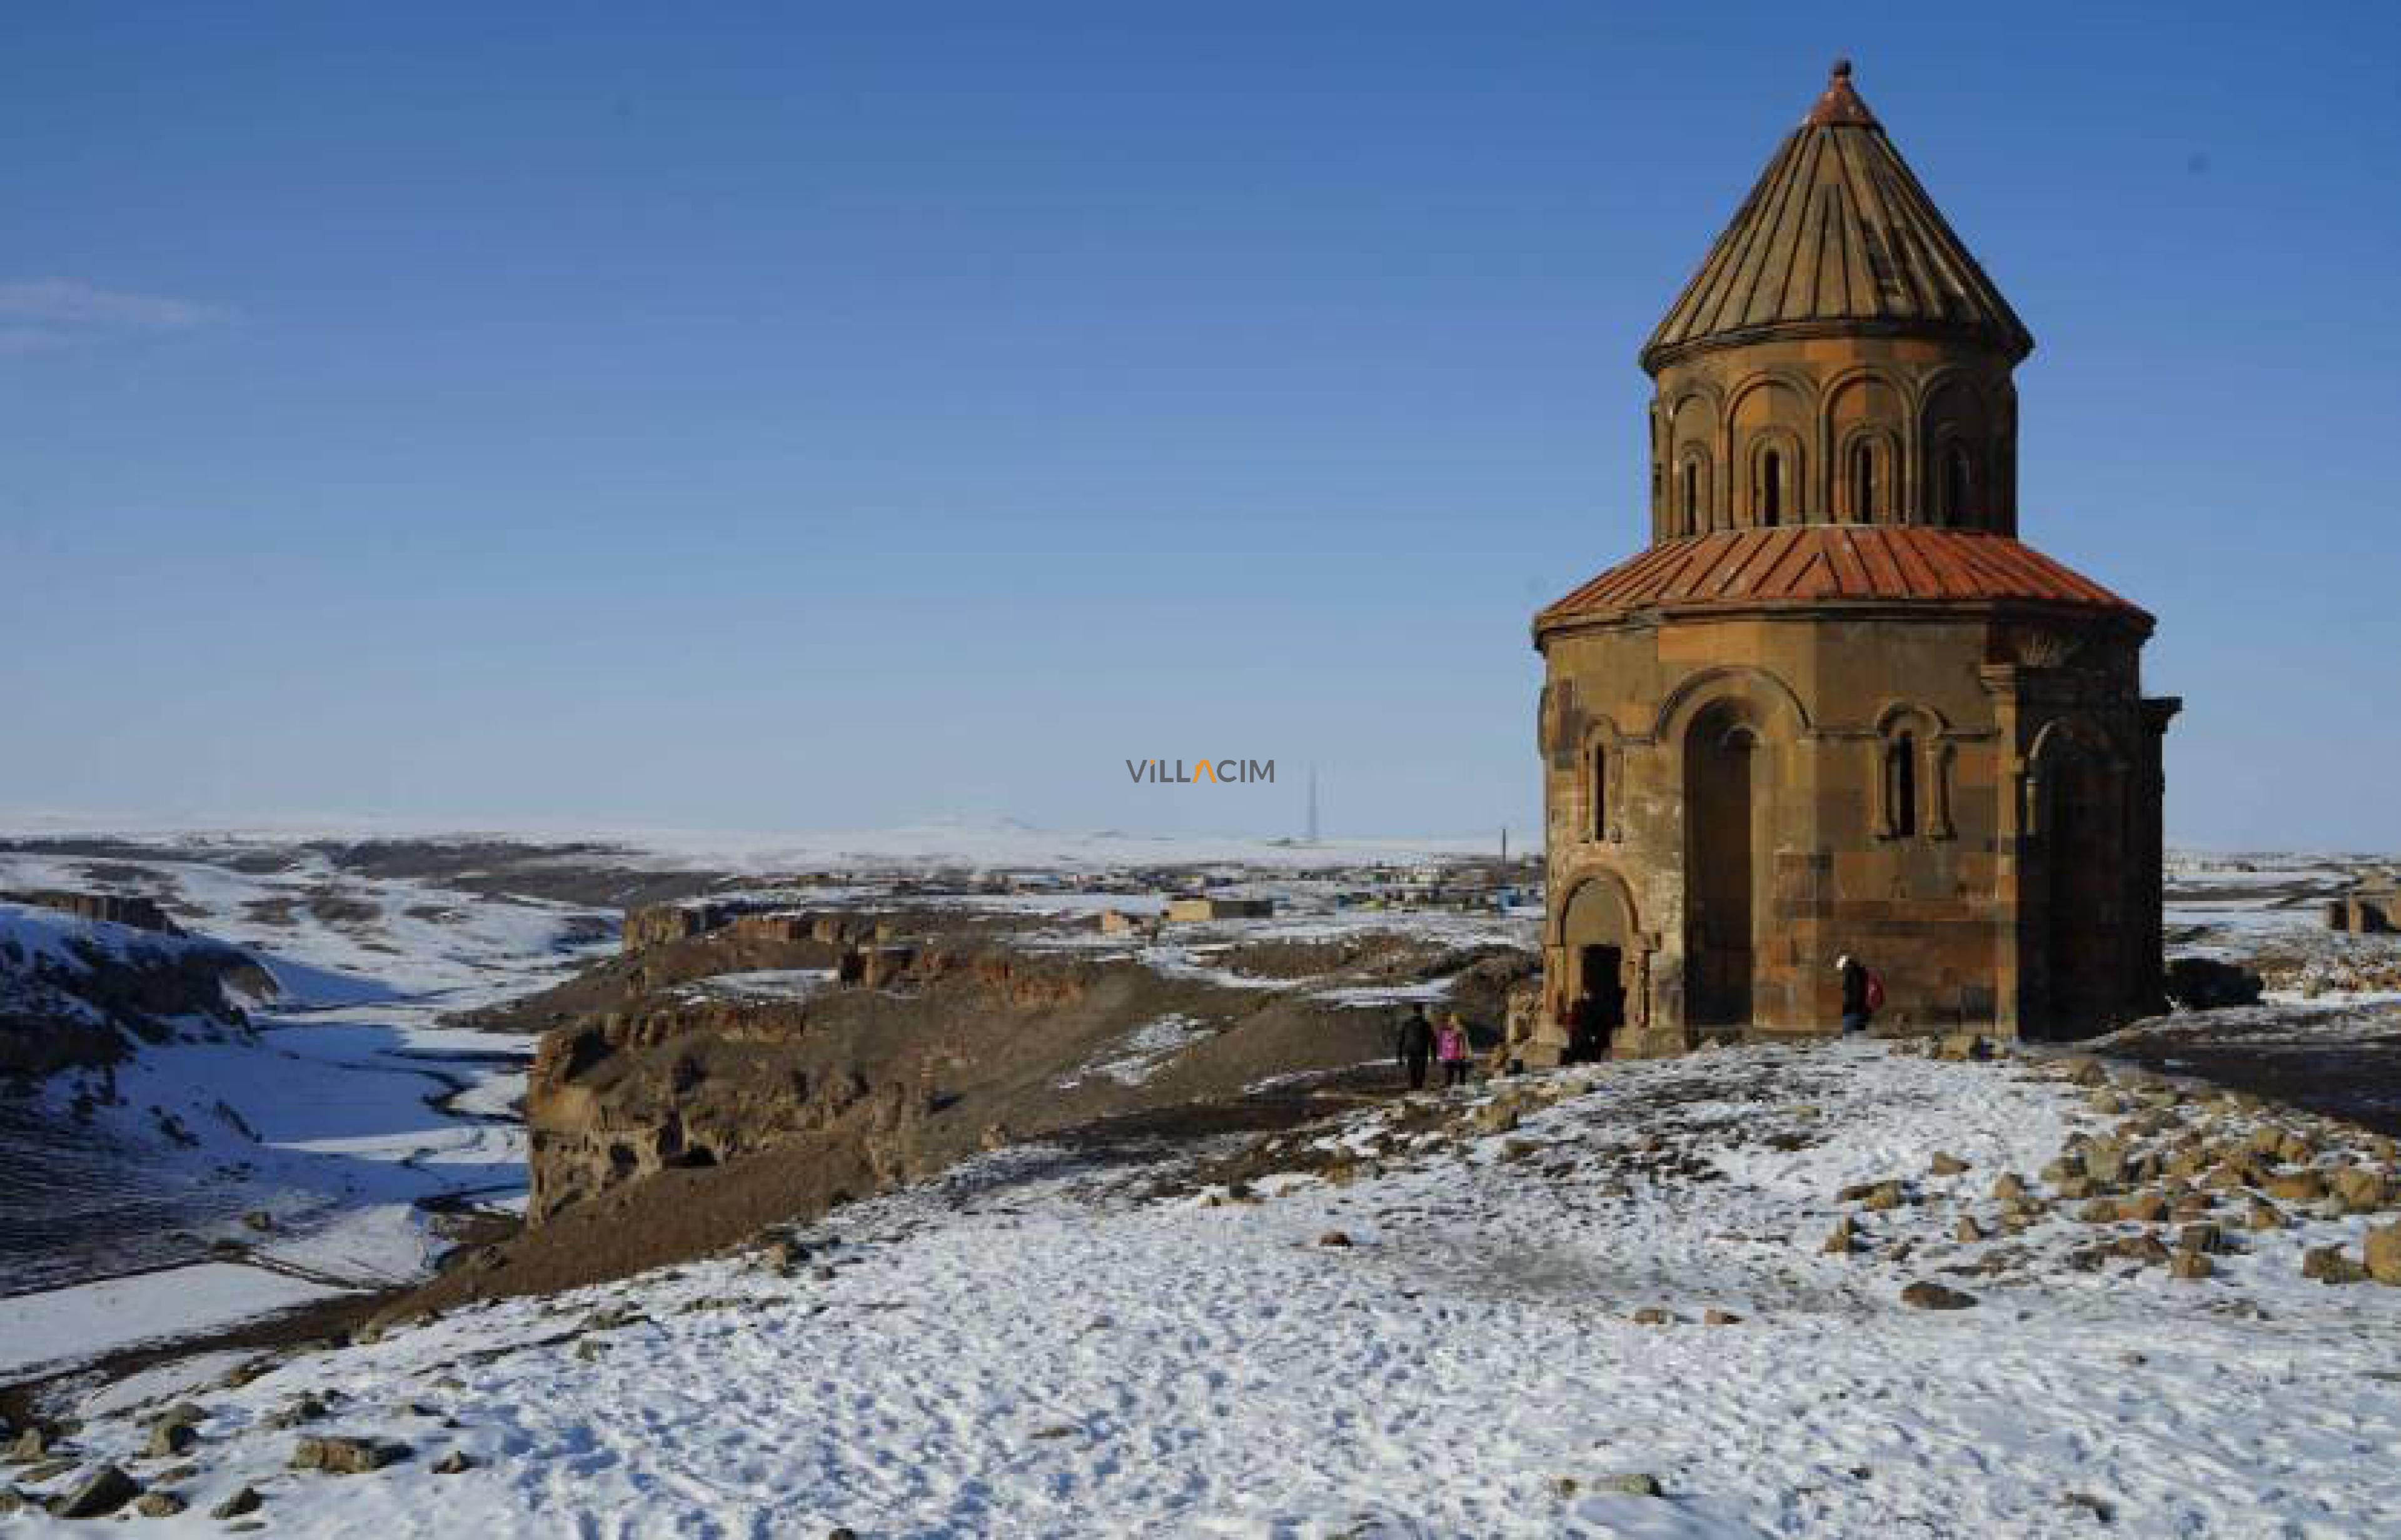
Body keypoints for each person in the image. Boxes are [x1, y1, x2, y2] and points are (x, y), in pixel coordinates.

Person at [1837, 954, 1881, 1036]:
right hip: (1865, 1010)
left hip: (1854, 1011)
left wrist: (1847, 1008)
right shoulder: (1863, 972)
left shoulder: (1851, 973)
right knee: (1860, 1037)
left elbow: (1855, 993)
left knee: (1848, 1038)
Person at [1394, 1003, 1436, 1090]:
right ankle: (1419, 1088)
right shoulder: (1426, 1024)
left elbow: (1401, 1040)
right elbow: (1433, 1041)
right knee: (1421, 1070)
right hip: (1422, 1050)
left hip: (1410, 1050)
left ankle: (1413, 1087)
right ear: (1422, 1011)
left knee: (1412, 1069)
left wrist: (1400, 1057)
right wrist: (1434, 1056)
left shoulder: (1407, 1024)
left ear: (1413, 1011)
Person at [1434, 1012, 1472, 1088]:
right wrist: (1441, 1053)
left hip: (1459, 1055)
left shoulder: (1462, 1030)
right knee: (1449, 1075)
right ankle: (1449, 1088)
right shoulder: (1445, 1030)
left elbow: (1466, 1041)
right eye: (1451, 1019)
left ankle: (1462, 1087)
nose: (1452, 1021)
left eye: (1454, 1019)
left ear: (1458, 1020)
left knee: (1461, 1075)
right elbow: (1441, 1042)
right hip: (1449, 1055)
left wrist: (1468, 1052)